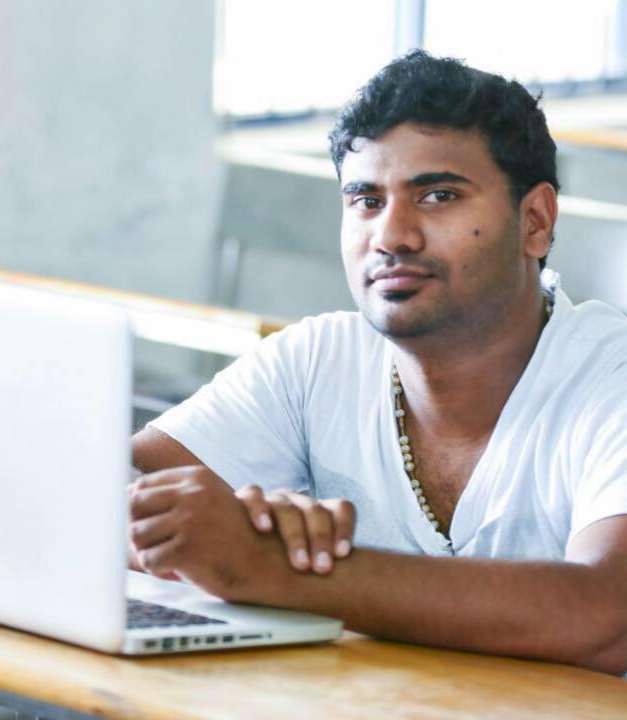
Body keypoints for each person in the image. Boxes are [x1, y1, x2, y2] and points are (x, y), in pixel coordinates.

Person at [129, 50, 627, 674]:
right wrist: (185, 530)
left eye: (438, 195)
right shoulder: (314, 360)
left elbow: (605, 615)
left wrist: (274, 568)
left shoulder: (610, 376)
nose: (392, 237)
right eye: (365, 200)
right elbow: (111, 486)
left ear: (535, 221)